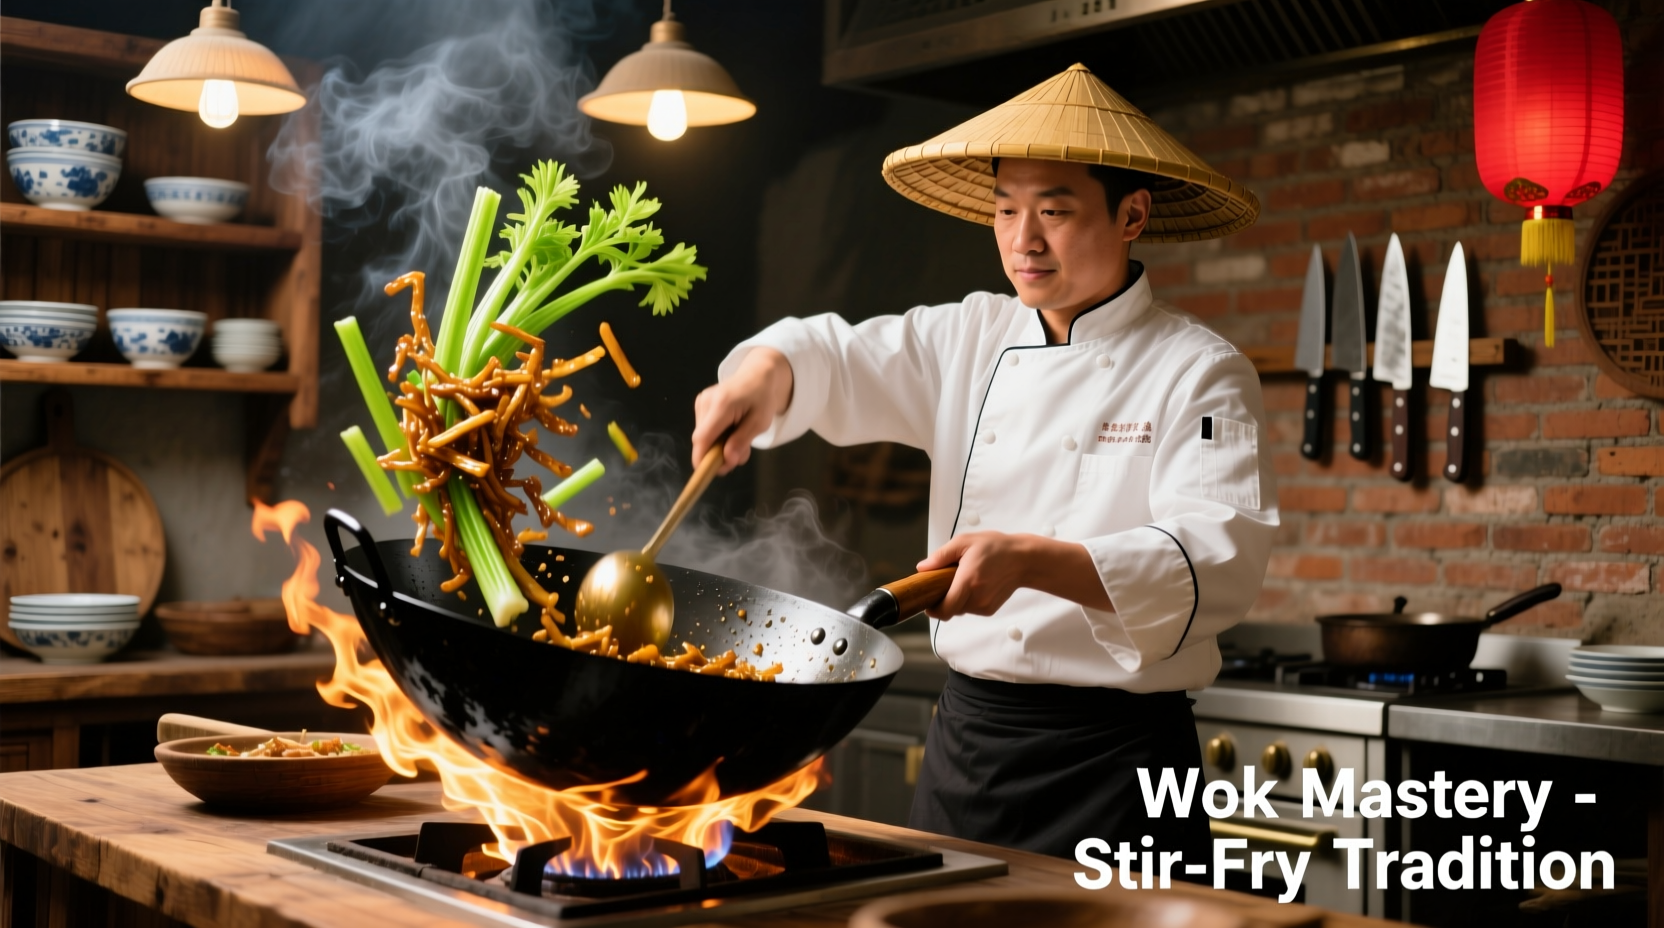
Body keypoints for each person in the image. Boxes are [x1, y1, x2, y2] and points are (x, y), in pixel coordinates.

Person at [690, 64, 1277, 869]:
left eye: (1056, 212)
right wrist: (760, 375)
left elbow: (1217, 559)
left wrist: (1036, 562)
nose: (1022, 240)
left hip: (1118, 764)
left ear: (1132, 213)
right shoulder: (969, 336)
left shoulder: (1198, 370)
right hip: (970, 748)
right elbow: (834, 356)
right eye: (1006, 210)